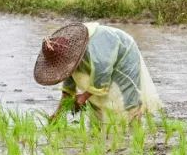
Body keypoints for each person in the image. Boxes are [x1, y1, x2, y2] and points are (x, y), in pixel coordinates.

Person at [33, 22, 162, 120]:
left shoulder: (97, 53)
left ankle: (134, 122)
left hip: (123, 52)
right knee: (98, 110)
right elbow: (68, 89)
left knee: (128, 96)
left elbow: (101, 78)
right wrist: (58, 114)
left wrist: (82, 97)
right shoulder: (67, 60)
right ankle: (102, 127)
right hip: (100, 61)